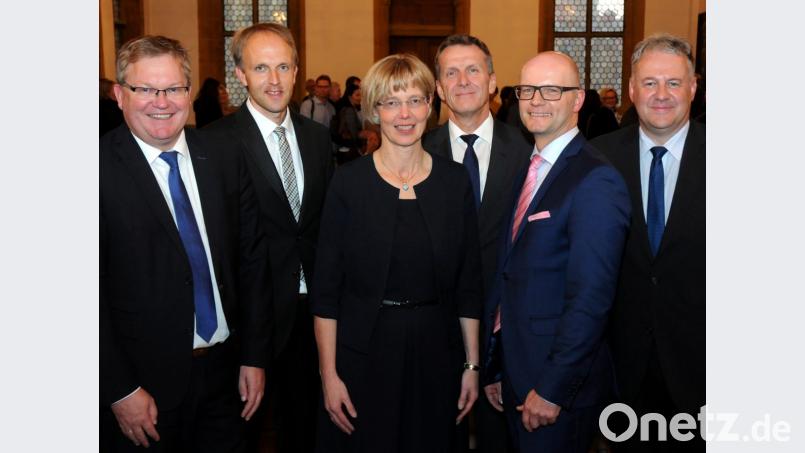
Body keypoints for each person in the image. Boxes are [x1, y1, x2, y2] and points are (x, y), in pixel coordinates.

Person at [100, 35, 270, 452]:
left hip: (228, 379)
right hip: (144, 390)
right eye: (145, 89)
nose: (162, 101)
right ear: (120, 95)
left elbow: (252, 261)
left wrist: (254, 356)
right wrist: (119, 390)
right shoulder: (92, 170)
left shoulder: (225, 154)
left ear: (190, 94)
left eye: (173, 88)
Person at [311, 53, 483, 453]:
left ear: (429, 105)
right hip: (362, 357)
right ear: (374, 110)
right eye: (391, 102)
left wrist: (472, 366)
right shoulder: (347, 184)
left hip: (438, 357)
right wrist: (329, 375)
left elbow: (469, 284)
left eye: (415, 100)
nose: (404, 114)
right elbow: (326, 293)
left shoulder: (455, 182)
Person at [481, 51, 630, 453]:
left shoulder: (596, 179)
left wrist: (552, 389)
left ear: (577, 100)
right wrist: (495, 365)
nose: (536, 100)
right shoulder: (529, 167)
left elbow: (591, 299)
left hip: (555, 389)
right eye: (528, 89)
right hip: (516, 371)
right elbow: (510, 271)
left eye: (552, 90)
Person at [204, 23, 334, 453]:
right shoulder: (215, 143)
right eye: (261, 68)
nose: (274, 80)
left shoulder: (317, 138)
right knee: (244, 435)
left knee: (306, 428)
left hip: (312, 312)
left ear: (297, 70)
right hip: (249, 320)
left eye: (283, 67)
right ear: (240, 74)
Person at [590, 34, 705, 452]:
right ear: (632, 89)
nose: (661, 95)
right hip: (621, 371)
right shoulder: (596, 160)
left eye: (673, 83)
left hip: (706, 371)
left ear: (693, 87)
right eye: (650, 82)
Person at [423, 33, 531, 453]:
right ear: (438, 88)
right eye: (451, 72)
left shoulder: (527, 152)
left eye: (473, 70)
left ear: (491, 81)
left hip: (508, 330)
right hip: (436, 331)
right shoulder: (416, 151)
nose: (463, 80)